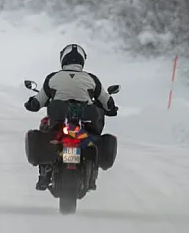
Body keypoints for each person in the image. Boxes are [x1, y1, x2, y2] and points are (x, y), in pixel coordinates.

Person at [23, 44, 119, 191]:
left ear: (63, 59)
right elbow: (107, 102)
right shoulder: (91, 79)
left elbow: (38, 101)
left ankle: (44, 174)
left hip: (59, 126)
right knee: (94, 137)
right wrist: (111, 109)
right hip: (84, 130)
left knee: (44, 127)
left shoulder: (53, 78)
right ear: (81, 61)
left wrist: (31, 103)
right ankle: (92, 173)